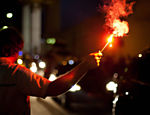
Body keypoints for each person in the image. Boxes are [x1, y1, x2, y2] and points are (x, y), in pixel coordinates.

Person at [0, 27, 102, 114]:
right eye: (19, 50)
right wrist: (84, 66)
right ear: (12, 49)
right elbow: (53, 88)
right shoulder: (16, 74)